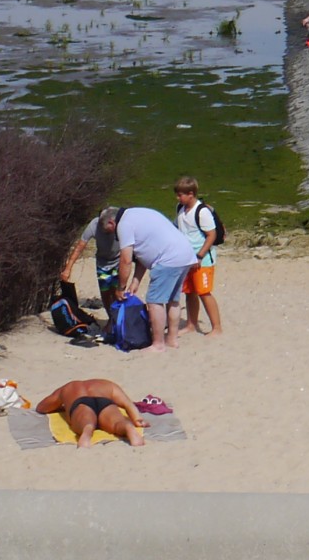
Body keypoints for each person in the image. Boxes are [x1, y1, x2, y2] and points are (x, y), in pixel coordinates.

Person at [102, 204, 200, 353]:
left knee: (154, 301)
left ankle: (158, 344)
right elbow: (143, 254)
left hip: (168, 259)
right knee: (173, 300)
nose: (113, 236)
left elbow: (126, 260)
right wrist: (135, 281)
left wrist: (121, 288)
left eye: (109, 231)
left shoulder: (124, 225)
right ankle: (171, 339)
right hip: (185, 254)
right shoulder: (138, 213)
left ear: (111, 222)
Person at [173, 176, 223, 338]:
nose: (178, 198)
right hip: (186, 258)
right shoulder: (180, 209)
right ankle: (191, 324)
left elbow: (211, 235)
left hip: (203, 260)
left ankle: (217, 327)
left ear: (191, 194)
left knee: (204, 292)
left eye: (180, 195)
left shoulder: (202, 211)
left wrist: (200, 255)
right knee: (189, 292)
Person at [34, 379, 149, 446]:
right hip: (104, 401)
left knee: (86, 423)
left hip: (80, 402)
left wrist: (62, 406)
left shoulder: (69, 387)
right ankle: (127, 427)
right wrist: (137, 419)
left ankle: (87, 430)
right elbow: (128, 404)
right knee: (117, 423)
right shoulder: (106, 383)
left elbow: (42, 407)